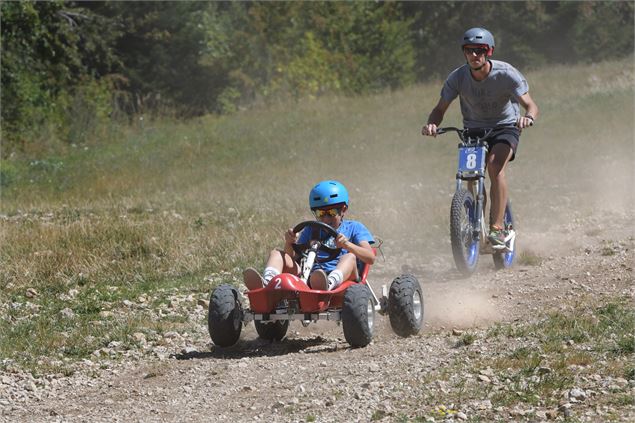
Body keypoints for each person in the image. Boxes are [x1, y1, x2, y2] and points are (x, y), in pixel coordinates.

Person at [421, 27, 539, 247]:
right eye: (468, 50)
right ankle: (475, 223)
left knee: (495, 167)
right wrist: (432, 124)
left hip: (505, 127)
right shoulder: (457, 78)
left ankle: (497, 229)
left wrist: (528, 118)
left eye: (479, 50)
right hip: (473, 130)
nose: (474, 55)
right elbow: (439, 109)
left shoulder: (506, 73)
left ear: (489, 51)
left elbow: (530, 105)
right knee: (471, 174)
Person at [243, 180, 375, 291]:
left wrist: (348, 245)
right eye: (320, 213)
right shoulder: (310, 229)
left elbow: (370, 258)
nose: (325, 218)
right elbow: (293, 258)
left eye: (331, 212)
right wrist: (289, 242)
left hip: (344, 278)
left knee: (349, 257)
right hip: (311, 277)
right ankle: (267, 284)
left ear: (343, 209)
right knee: (277, 253)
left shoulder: (354, 227)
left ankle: (328, 283)